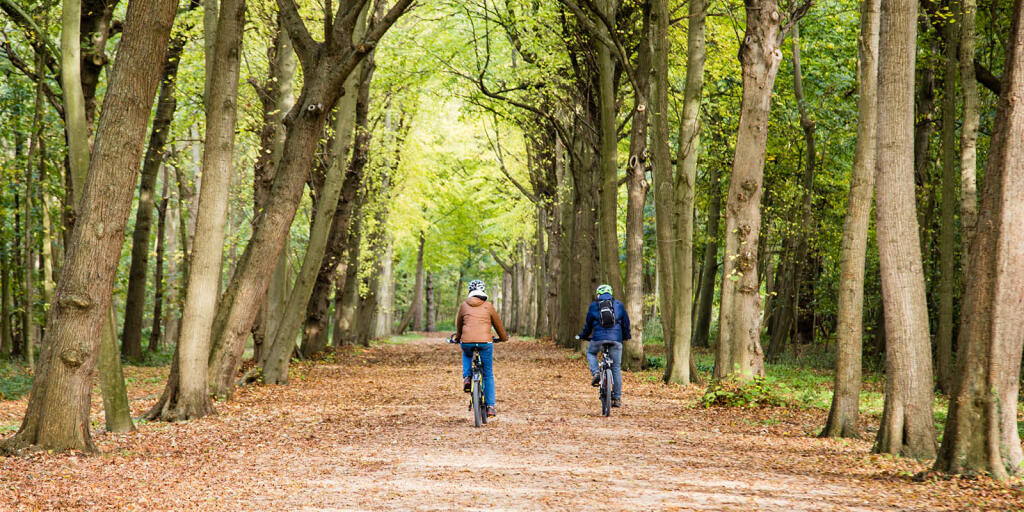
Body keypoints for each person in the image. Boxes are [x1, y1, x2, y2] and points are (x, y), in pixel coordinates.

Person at [454, 279, 508, 418]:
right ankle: (490, 406)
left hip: (467, 342)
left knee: (466, 353)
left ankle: (467, 378)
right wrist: (503, 338)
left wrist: (458, 338)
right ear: (483, 291)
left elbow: (459, 326)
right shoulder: (488, 306)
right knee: (488, 373)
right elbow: (498, 325)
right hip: (485, 343)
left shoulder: (464, 306)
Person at [578, 284, 630, 408]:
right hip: (616, 339)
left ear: (598, 294)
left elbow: (588, 324)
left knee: (591, 353)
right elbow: (626, 323)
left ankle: (596, 373)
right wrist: (626, 336)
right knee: (616, 368)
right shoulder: (618, 305)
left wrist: (583, 336)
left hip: (598, 339)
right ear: (611, 293)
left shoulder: (594, 305)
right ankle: (617, 399)